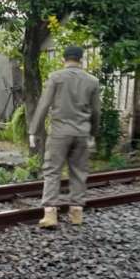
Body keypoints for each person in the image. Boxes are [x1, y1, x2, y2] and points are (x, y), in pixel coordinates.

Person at [29, 45, 101, 228]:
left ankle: (50, 214)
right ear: (81, 59)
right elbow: (96, 112)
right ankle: (76, 213)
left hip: (60, 133)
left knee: (52, 171)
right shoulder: (92, 81)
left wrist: (34, 130)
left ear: (64, 59)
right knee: (78, 171)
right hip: (82, 133)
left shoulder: (56, 77)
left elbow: (44, 105)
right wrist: (93, 133)